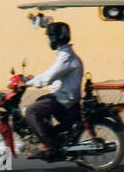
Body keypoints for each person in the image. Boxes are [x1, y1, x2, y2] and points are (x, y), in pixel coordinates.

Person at [23, 21, 84, 158]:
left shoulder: (66, 57)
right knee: (41, 100)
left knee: (31, 111)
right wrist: (33, 79)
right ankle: (51, 135)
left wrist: (28, 83)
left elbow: (49, 77)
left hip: (64, 99)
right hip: (63, 96)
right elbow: (52, 73)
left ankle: (48, 145)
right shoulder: (65, 54)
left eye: (50, 37)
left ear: (55, 38)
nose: (49, 40)